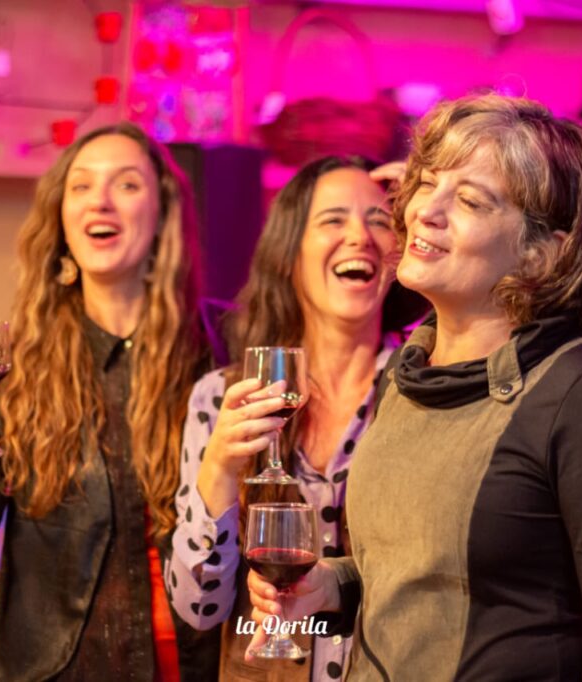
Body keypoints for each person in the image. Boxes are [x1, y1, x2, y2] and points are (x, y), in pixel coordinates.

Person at [247, 94, 582, 679]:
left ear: (540, 254)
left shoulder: (580, 391)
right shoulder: (406, 372)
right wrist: (329, 586)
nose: (426, 211)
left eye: (469, 200)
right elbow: (405, 574)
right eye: (428, 184)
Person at [0, 122, 220, 680]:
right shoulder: (17, 367)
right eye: (82, 185)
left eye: (126, 184)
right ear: (62, 216)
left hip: (199, 666)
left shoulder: (219, 350)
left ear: (163, 212)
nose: (100, 201)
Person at [164, 156, 428, 680]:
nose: (359, 236)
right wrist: (218, 469)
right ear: (289, 254)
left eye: (379, 220)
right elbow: (199, 608)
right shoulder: (223, 395)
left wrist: (429, 201)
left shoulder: (429, 387)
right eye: (333, 219)